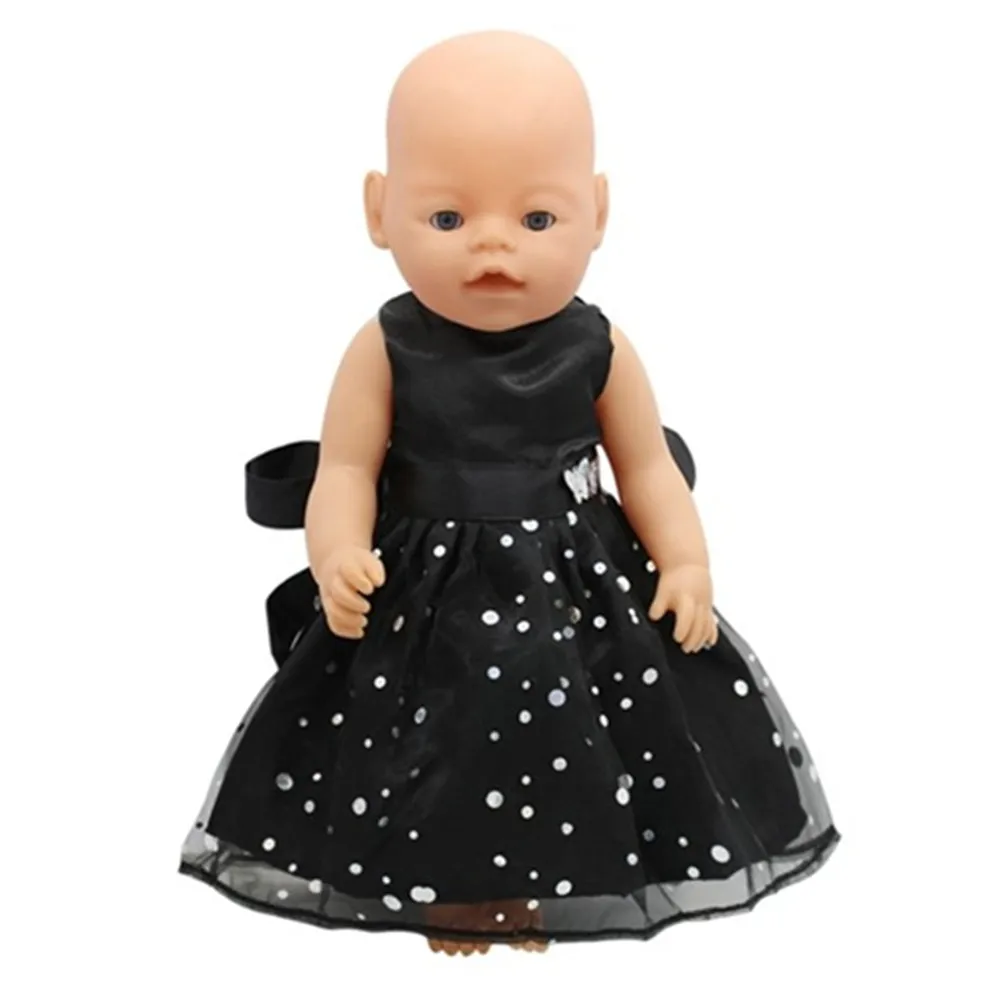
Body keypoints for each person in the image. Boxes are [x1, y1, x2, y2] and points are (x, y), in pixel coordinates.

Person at [178, 29, 840, 956]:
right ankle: (450, 891)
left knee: (571, 736)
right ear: (379, 210)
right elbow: (345, 469)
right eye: (449, 217)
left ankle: (538, 888)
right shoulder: (386, 345)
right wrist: (335, 551)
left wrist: (686, 563)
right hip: (424, 587)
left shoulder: (599, 346)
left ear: (597, 212)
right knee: (439, 735)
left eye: (537, 218)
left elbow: (647, 467)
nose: (494, 244)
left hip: (574, 581)